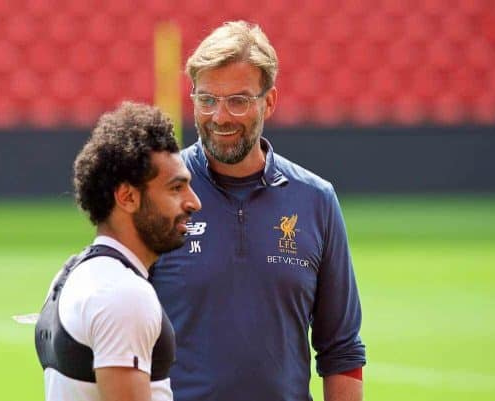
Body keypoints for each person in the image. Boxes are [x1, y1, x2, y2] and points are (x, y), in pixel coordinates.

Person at [150, 21, 366, 401]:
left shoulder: (316, 200)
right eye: (207, 100)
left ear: (269, 101)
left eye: (238, 100)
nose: (220, 117)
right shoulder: (156, 194)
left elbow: (342, 349)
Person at [34, 102, 201, 401]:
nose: (193, 202)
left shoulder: (73, 272)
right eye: (176, 188)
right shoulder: (124, 294)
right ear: (127, 197)